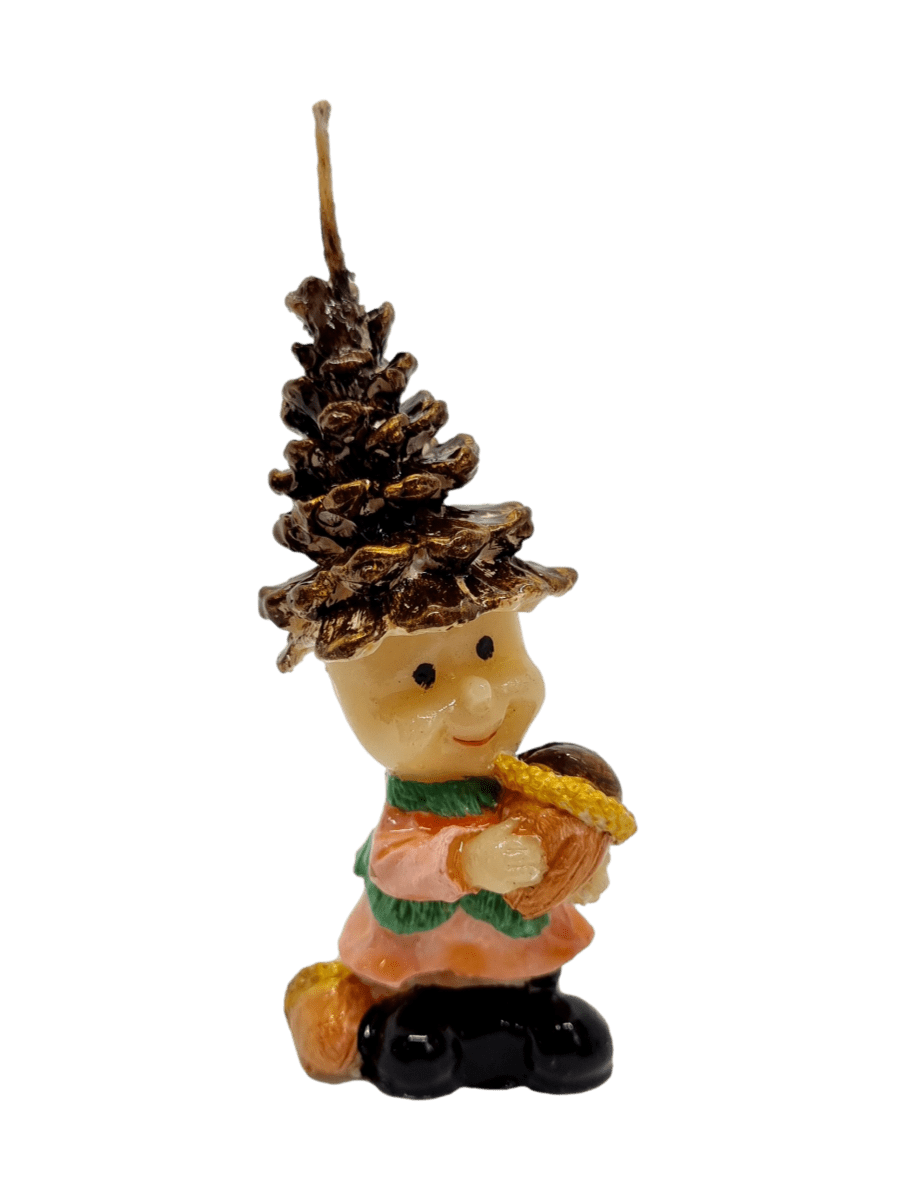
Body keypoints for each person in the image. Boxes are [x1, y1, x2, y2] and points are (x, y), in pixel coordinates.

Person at [259, 101, 635, 1099]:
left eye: (491, 652)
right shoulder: (413, 819)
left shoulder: (532, 782)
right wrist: (476, 860)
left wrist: (579, 863)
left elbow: (577, 861)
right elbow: (402, 873)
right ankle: (400, 1024)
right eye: (422, 678)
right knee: (418, 1048)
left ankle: (530, 1014)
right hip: (416, 963)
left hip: (520, 959)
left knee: (567, 1038)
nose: (477, 697)